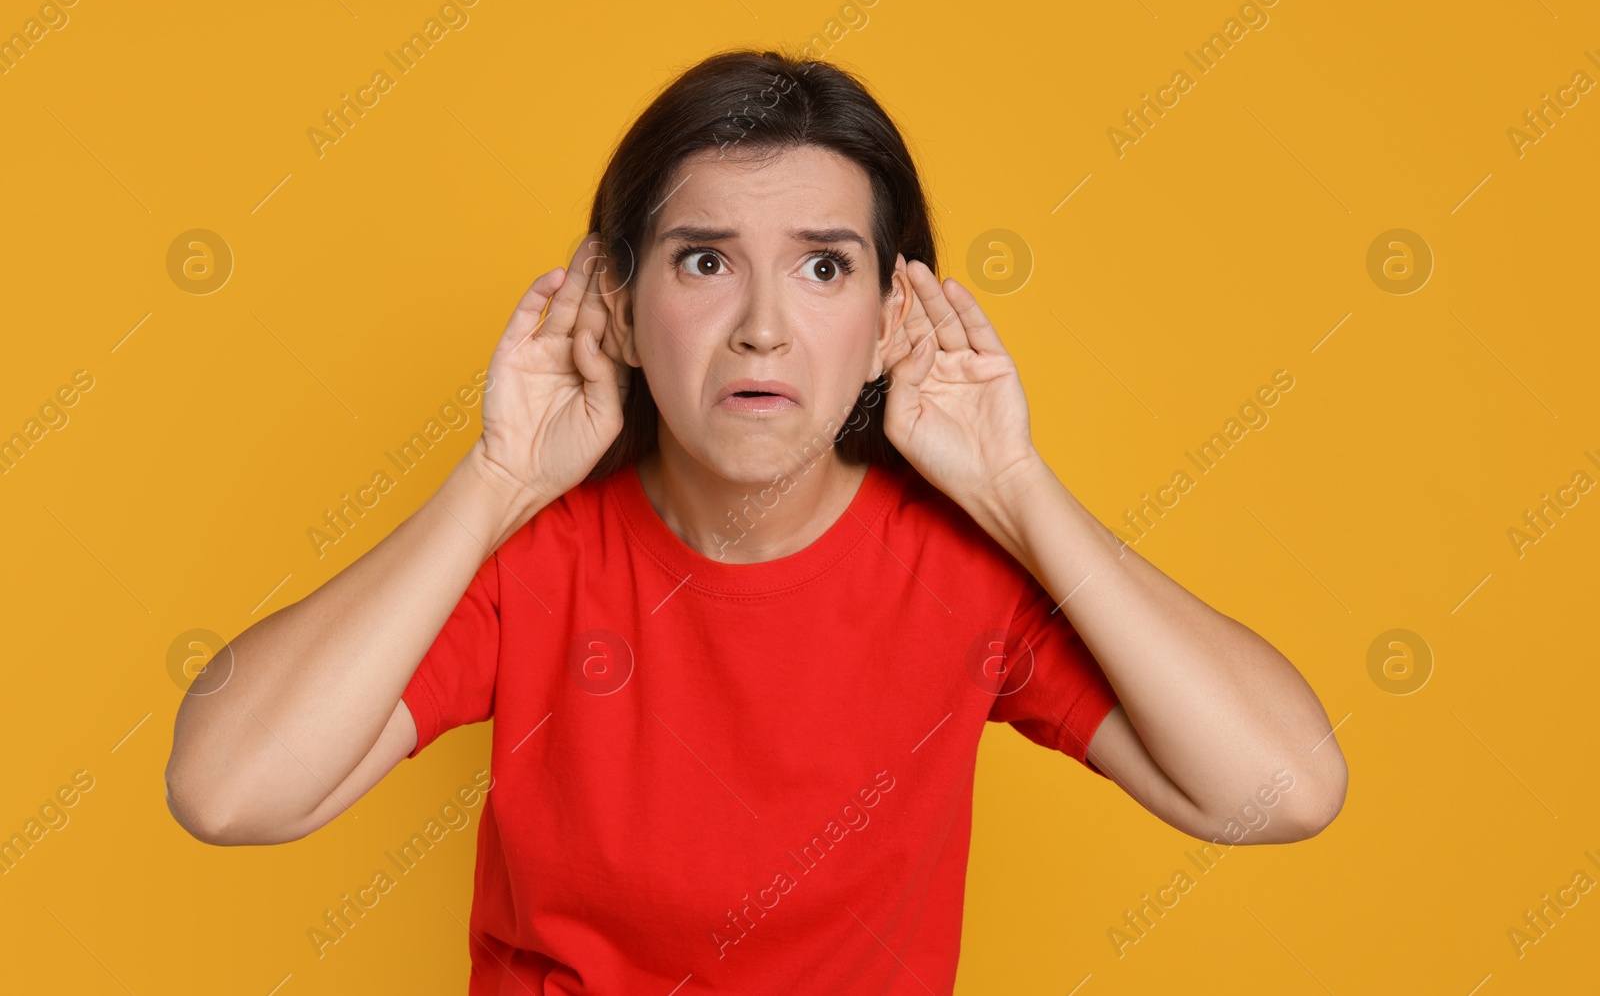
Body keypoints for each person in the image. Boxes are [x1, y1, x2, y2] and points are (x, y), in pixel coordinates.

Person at [165, 49, 1347, 993]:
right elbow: (230, 790)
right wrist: (495, 480)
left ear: (894, 319)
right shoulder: (535, 560)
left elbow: (1281, 788)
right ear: (618, 308)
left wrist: (1014, 485)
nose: (764, 328)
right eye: (704, 261)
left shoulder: (960, 572)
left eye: (826, 268)